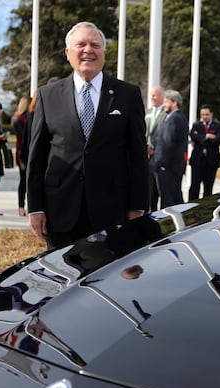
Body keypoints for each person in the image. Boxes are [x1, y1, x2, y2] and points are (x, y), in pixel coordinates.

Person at [27, 21, 149, 249]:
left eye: (95, 45)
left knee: (108, 281)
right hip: (60, 212)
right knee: (63, 281)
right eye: (80, 44)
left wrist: (138, 207)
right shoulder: (47, 95)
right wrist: (35, 207)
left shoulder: (127, 94)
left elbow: (138, 156)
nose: (88, 50)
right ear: (67, 52)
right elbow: (37, 158)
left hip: (113, 212)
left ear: (103, 52)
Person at [153, 89, 189, 208]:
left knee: (167, 200)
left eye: (166, 102)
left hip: (168, 167)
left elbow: (169, 143)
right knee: (176, 198)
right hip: (175, 166)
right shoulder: (180, 117)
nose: (164, 104)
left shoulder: (173, 119)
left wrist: (163, 163)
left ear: (174, 103)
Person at [188, 104, 220, 200]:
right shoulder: (196, 125)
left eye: (207, 114)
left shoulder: (217, 126)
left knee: (208, 188)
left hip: (211, 162)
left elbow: (218, 140)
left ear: (211, 114)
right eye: (202, 115)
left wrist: (201, 138)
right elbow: (193, 136)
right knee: (194, 185)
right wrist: (207, 136)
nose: (204, 117)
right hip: (197, 161)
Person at [145, 85, 165, 211]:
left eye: (154, 95)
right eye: (151, 95)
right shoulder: (147, 112)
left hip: (159, 158)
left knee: (160, 192)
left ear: (162, 97)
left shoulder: (166, 114)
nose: (152, 98)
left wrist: (154, 148)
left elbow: (165, 136)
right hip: (146, 157)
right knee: (148, 193)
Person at [12, 95, 30, 216]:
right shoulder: (18, 119)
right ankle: (21, 206)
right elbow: (24, 136)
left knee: (31, 180)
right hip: (22, 152)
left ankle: (30, 205)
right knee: (23, 180)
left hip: (30, 151)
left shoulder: (30, 117)